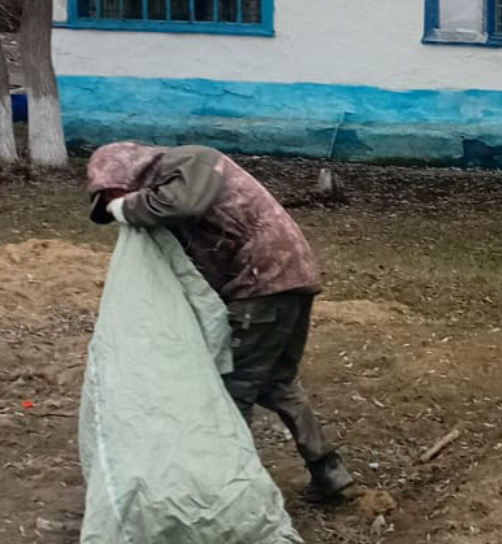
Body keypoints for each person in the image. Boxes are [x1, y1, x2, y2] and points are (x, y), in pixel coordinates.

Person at [86, 142, 352, 506]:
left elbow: (181, 204)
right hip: (285, 277)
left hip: (263, 280)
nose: (114, 202)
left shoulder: (190, 162)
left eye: (112, 193)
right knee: (277, 381)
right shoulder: (174, 185)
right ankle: (328, 471)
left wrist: (124, 208)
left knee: (230, 390)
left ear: (126, 172)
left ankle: (230, 497)